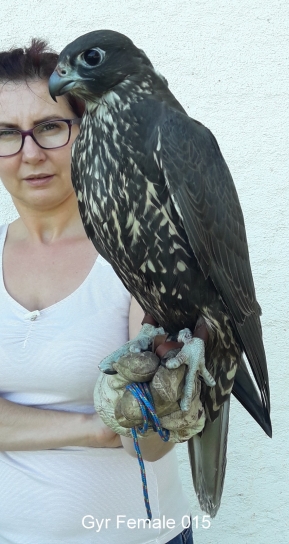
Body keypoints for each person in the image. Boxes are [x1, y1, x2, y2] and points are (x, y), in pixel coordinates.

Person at [0, 40, 193, 543]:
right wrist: (95, 427)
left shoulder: (136, 241)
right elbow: (117, 428)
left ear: (86, 126)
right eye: (5, 134)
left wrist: (160, 399)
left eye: (49, 127)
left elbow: (148, 444)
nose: (30, 154)